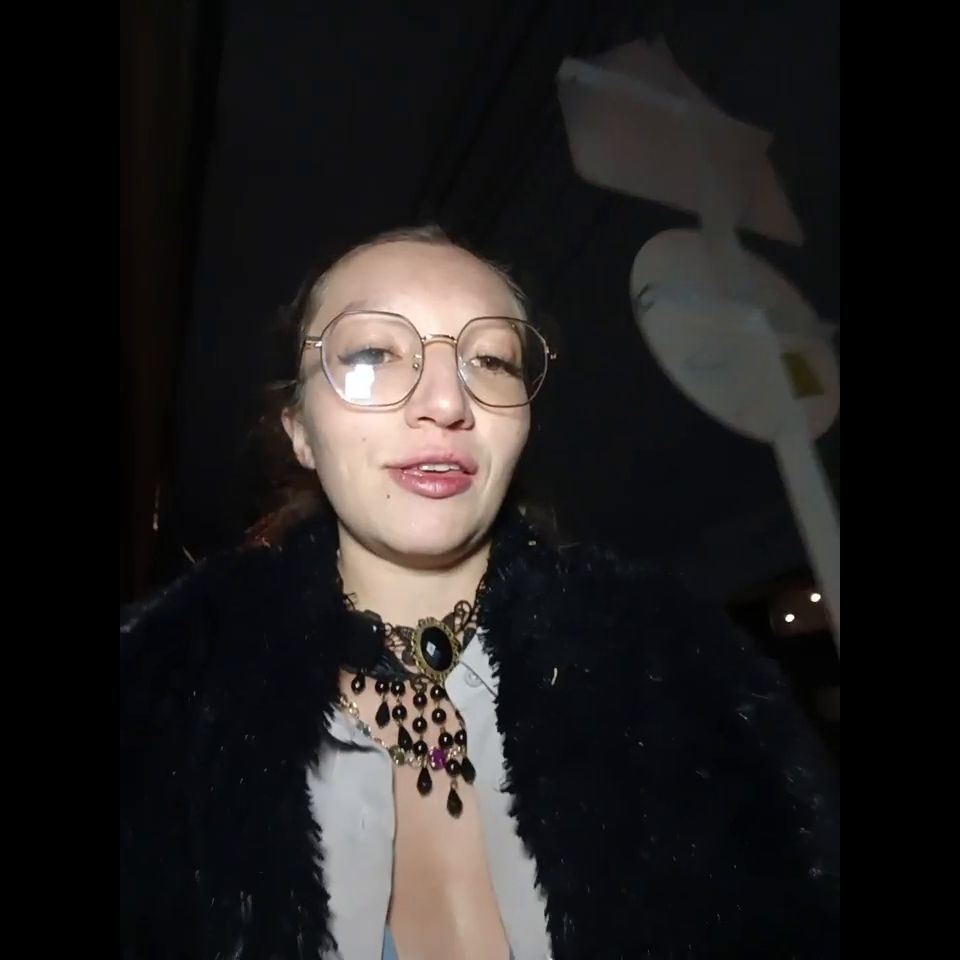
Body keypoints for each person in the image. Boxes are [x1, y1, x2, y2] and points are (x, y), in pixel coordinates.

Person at [120, 226, 839, 960]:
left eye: (490, 361)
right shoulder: (156, 708)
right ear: (300, 429)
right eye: (372, 355)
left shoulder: (689, 678)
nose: (445, 401)